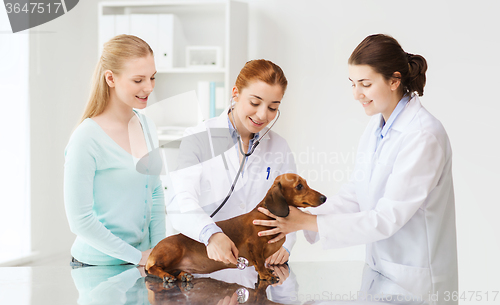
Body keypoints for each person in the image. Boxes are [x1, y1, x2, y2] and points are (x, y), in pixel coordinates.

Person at [254, 34, 458, 298]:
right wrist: (307, 215)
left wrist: (306, 222)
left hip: (416, 279)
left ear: (394, 80)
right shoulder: (377, 126)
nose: (356, 94)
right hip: (381, 271)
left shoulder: (422, 135)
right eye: (352, 84)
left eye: (365, 84)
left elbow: (386, 218)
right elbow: (357, 193)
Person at [166, 59, 296, 267]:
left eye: (273, 107)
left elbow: (291, 204)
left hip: (261, 265)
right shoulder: (198, 138)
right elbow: (180, 202)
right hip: (208, 263)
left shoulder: (279, 146)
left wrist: (286, 245)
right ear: (235, 93)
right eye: (254, 103)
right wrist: (210, 234)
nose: (262, 115)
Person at [64, 34, 165, 267]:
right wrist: (136, 257)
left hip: (144, 264)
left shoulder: (146, 125)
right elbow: (80, 221)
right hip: (97, 266)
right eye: (138, 80)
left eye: (152, 77)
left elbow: (156, 192)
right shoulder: (86, 138)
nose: (148, 87)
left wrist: (160, 252)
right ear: (110, 78)